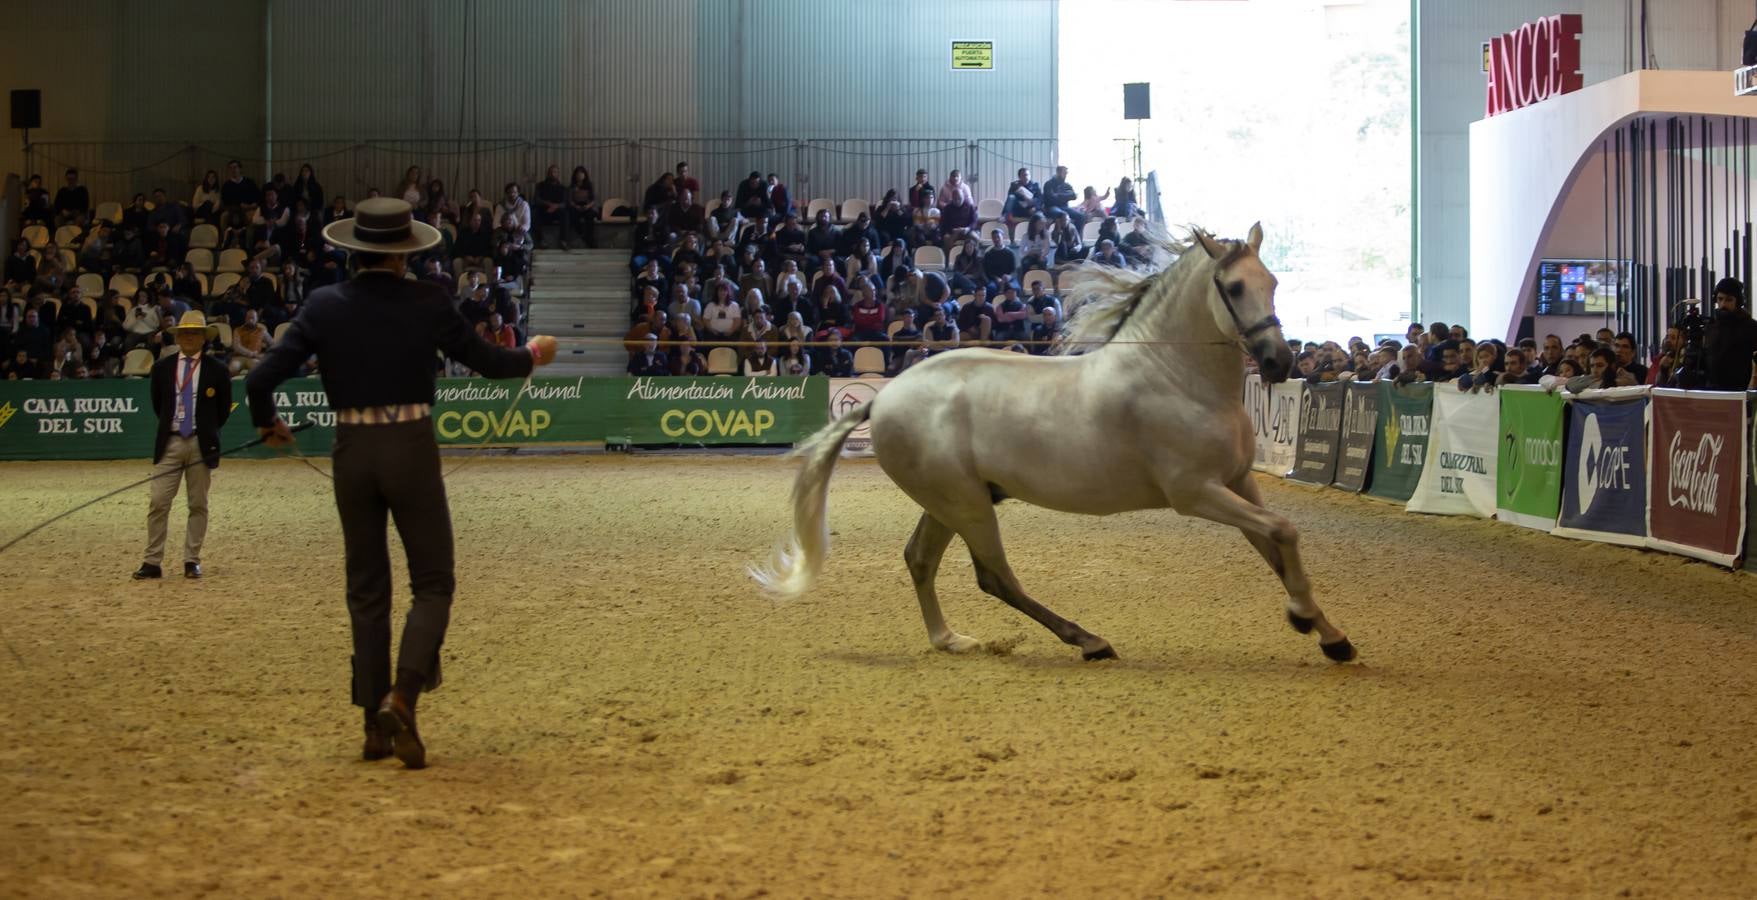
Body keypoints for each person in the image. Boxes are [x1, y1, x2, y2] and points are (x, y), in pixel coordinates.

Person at [246, 198, 558, 770]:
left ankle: (373, 726)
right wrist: (531, 354)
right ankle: (404, 698)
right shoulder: (427, 300)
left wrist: (268, 423)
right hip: (410, 444)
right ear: (402, 256)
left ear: (355, 251)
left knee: (367, 590)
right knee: (433, 583)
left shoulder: (321, 305)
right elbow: (488, 361)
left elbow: (261, 378)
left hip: (351, 450)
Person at [133, 312, 231, 581]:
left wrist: (206, 431)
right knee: (158, 501)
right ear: (177, 337)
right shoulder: (162, 368)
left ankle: (192, 560)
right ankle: (152, 561)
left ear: (204, 338)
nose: (189, 337)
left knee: (198, 503)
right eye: (185, 332)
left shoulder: (218, 370)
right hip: (171, 442)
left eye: (195, 333)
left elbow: (223, 410)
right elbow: (158, 405)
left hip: (201, 442)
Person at [1702, 277, 1757, 390]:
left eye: (1728, 300)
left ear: (1738, 301)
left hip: (1741, 393)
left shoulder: (1752, 328)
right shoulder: (1710, 328)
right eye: (1720, 299)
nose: (1723, 304)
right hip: (1712, 393)